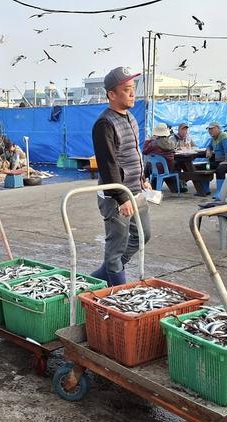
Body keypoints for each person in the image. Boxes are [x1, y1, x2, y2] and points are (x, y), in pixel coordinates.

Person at [89, 67, 152, 287]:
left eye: (133, 89)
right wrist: (120, 197)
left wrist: (143, 176)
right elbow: (108, 165)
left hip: (136, 189)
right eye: (126, 90)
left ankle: (102, 275)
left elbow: (133, 152)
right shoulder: (104, 124)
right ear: (112, 94)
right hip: (116, 195)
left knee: (143, 235)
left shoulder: (131, 118)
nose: (132, 94)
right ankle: (118, 293)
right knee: (116, 246)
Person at [142, 122, 185, 193]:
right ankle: (180, 186)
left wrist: (149, 140)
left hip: (155, 170)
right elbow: (174, 151)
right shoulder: (171, 143)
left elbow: (144, 151)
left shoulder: (153, 144)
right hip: (169, 168)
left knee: (149, 164)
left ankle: (143, 179)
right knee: (177, 165)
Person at [204, 121, 227, 200]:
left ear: (218, 128)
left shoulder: (224, 136)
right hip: (219, 161)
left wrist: (226, 161)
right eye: (209, 129)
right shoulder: (213, 138)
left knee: (220, 169)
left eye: (212, 129)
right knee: (205, 166)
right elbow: (208, 146)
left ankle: (220, 192)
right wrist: (208, 150)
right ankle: (205, 189)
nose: (210, 131)